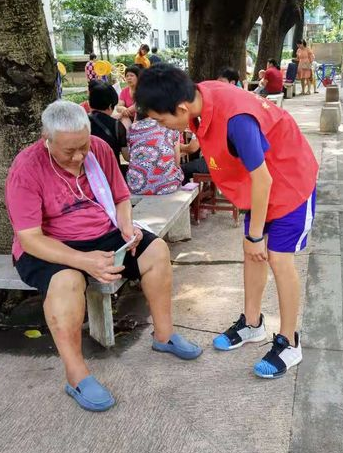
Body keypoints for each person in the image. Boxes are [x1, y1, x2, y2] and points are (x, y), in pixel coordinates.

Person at [4, 100, 201, 412]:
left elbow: (121, 196)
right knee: (67, 281)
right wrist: (84, 262)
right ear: (47, 139)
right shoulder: (26, 168)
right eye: (69, 151)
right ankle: (76, 374)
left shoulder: (98, 148)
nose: (80, 156)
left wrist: (126, 229)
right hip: (50, 245)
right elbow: (30, 238)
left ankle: (164, 335)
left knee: (156, 250)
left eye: (82, 146)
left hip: (104, 231)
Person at [135, 64, 318, 379]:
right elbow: (209, 134)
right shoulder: (199, 96)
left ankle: (289, 342)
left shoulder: (238, 122)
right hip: (260, 186)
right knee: (251, 252)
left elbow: (263, 180)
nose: (163, 127)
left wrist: (257, 233)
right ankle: (252, 323)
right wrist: (192, 146)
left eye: (162, 120)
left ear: (179, 108)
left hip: (289, 182)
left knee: (276, 256)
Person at [126, 111, 183, 195]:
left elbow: (130, 157)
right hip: (167, 186)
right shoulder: (170, 127)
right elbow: (177, 162)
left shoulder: (131, 129)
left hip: (136, 186)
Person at [87, 80, 128, 170]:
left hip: (89, 173)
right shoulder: (116, 125)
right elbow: (126, 156)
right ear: (110, 106)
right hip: (112, 173)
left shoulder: (82, 123)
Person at [116, 65, 142, 130]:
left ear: (138, 77)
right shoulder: (124, 91)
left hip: (143, 118)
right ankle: (129, 136)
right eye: (127, 76)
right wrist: (122, 109)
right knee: (124, 118)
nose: (129, 78)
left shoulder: (143, 90)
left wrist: (126, 111)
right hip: (128, 117)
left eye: (131, 75)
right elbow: (118, 107)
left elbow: (139, 105)